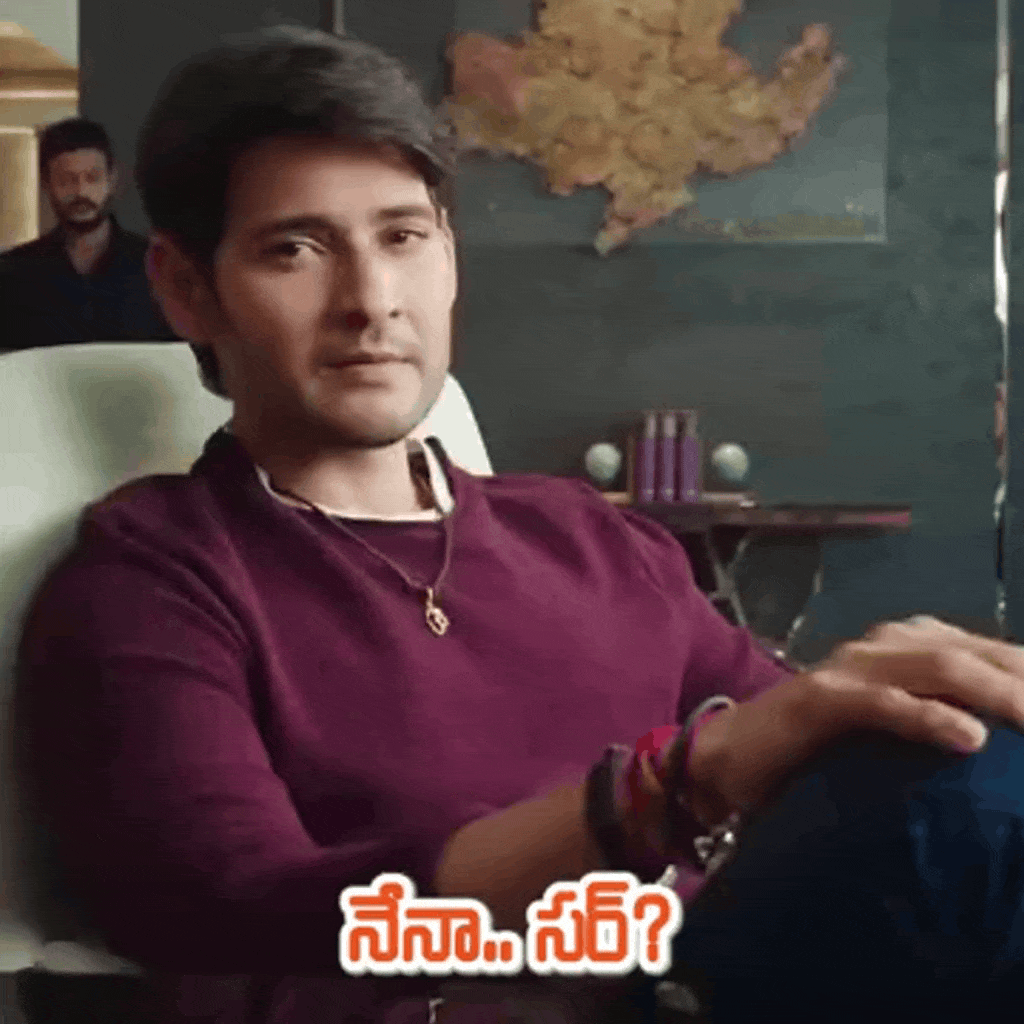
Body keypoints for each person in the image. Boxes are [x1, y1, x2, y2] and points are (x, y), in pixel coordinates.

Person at [16, 25, 1024, 1024]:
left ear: (449, 259)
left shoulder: (586, 534)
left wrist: (865, 708)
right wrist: (669, 790)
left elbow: (809, 752)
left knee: (964, 751)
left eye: (402, 237)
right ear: (187, 289)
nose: (371, 301)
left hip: (737, 964)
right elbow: (236, 910)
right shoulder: (150, 583)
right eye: (296, 249)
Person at [0, 117, 176, 348]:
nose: (81, 191)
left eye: (92, 178)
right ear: (46, 184)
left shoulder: (157, 267)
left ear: (112, 180)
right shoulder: (12, 274)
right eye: (66, 180)